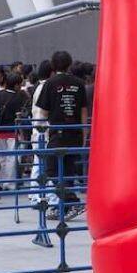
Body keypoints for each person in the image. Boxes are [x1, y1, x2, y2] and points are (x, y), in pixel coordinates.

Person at [36, 50, 90, 210]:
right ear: (69, 64)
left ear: (53, 65)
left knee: (51, 169)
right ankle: (65, 207)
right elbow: (84, 111)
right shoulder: (79, 83)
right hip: (75, 132)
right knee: (68, 170)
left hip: (57, 133)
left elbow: (43, 112)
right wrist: (84, 134)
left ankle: (71, 201)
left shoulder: (50, 83)